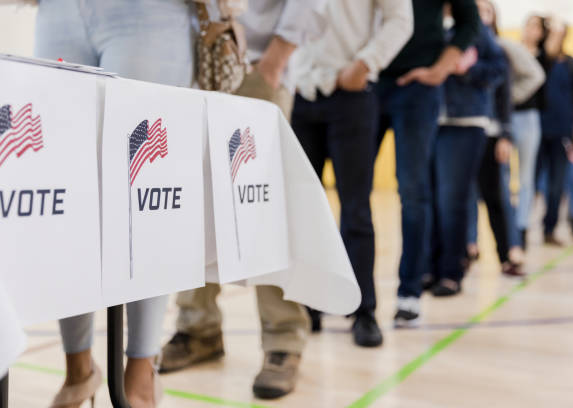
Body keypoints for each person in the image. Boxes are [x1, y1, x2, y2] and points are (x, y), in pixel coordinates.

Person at [159, 0, 327, 400]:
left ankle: (284, 337)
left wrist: (274, 60)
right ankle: (197, 328)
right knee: (196, 208)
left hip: (253, 64)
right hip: (189, 70)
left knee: (262, 211)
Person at [34, 0, 196, 406]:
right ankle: (78, 371)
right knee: (63, 188)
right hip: (60, 10)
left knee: (144, 189)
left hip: (150, 12)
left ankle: (141, 373)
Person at [290, 0, 414, 347]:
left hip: (352, 95)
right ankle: (308, 305)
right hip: (300, 94)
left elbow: (400, 20)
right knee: (303, 211)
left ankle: (363, 310)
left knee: (356, 209)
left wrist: (366, 63)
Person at [375, 0, 480, 326]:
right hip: (368, 80)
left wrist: (441, 67)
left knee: (414, 191)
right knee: (354, 193)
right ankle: (355, 296)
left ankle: (409, 291)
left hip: (418, 88)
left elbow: (469, 22)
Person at [425, 9, 507, 297]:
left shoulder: (474, 27)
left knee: (451, 200)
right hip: (428, 118)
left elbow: (499, 68)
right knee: (429, 198)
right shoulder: (426, 19)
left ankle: (451, 272)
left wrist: (467, 69)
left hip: (465, 121)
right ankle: (429, 268)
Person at [466, 0, 545, 277]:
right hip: (463, 129)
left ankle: (509, 251)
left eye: (486, 11)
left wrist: (505, 135)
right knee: (464, 196)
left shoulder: (500, 50)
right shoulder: (456, 45)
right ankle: (467, 247)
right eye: (476, 10)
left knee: (497, 194)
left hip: (491, 132)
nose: (480, 15)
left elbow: (506, 97)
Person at [536, 18, 573, 246]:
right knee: (531, 183)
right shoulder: (537, 61)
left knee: (558, 185)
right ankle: (518, 232)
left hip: (562, 133)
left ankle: (549, 228)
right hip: (535, 131)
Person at [514, 15, 552, 249]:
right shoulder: (512, 51)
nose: (531, 29)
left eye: (537, 26)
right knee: (502, 176)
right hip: (508, 116)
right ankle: (508, 228)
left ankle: (522, 226)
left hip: (529, 117)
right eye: (528, 24)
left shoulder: (545, 58)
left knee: (527, 176)